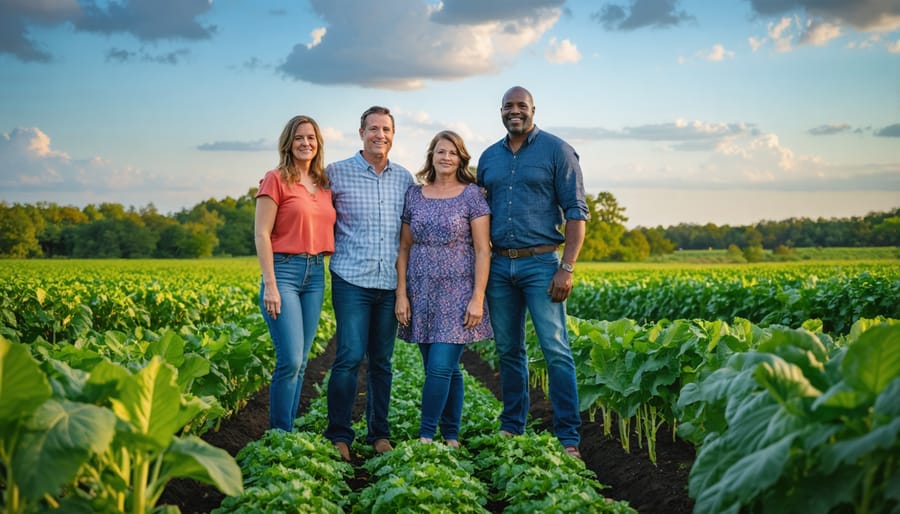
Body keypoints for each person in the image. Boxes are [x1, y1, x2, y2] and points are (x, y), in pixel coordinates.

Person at [476, 86, 589, 459]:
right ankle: (512, 426)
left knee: (555, 350)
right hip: (499, 264)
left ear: (533, 110)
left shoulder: (557, 151)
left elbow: (576, 211)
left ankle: (568, 437)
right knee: (509, 351)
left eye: (520, 106)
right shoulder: (489, 157)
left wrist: (567, 267)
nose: (514, 111)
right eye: (508, 106)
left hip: (541, 264)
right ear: (501, 111)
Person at [324, 106, 414, 462]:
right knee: (347, 356)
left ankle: (379, 434)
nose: (380, 135)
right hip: (351, 279)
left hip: (389, 283)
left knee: (382, 361)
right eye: (373, 128)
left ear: (393, 134)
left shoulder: (405, 178)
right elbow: (306, 199)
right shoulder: (336, 173)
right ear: (360, 132)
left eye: (386, 129)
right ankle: (339, 435)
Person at [395, 130, 492, 449]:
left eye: (452, 152)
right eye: (440, 151)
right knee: (446, 370)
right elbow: (405, 247)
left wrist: (477, 297)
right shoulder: (414, 194)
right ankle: (451, 436)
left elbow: (482, 249)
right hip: (421, 291)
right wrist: (402, 293)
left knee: (439, 367)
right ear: (431, 156)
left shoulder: (473, 195)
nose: (446, 157)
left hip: (459, 293)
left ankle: (425, 435)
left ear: (461, 157)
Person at [255, 115, 336, 432]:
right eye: (300, 138)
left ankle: (286, 430)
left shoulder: (324, 184)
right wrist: (270, 286)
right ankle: (279, 433)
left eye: (311, 138)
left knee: (302, 361)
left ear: (318, 144)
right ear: (288, 143)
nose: (306, 143)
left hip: (316, 275)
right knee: (289, 360)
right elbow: (262, 234)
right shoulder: (275, 179)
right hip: (284, 273)